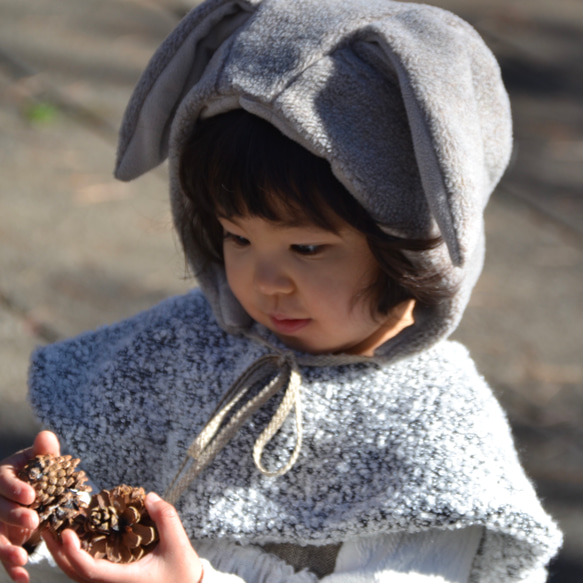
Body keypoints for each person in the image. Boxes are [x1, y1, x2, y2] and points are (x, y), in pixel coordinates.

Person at [0, 0, 562, 581]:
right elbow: (91, 524)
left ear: (411, 243)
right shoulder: (181, 346)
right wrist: (42, 520)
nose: (264, 282)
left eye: (308, 248)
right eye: (236, 237)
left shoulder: (439, 435)